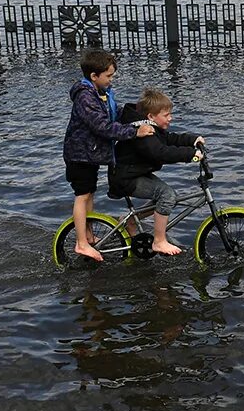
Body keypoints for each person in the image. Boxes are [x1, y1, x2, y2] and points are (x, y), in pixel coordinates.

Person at [63, 49, 154, 262]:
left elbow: (116, 113)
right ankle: (81, 243)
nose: (111, 79)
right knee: (82, 195)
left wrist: (141, 118)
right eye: (109, 76)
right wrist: (134, 132)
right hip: (79, 155)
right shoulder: (85, 97)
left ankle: (88, 233)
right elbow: (103, 127)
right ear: (94, 76)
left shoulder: (101, 92)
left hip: (90, 155)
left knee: (90, 194)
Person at [112, 88, 205, 256]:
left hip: (135, 172)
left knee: (171, 197)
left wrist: (192, 140)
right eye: (167, 115)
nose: (171, 118)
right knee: (167, 195)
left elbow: (169, 139)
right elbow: (160, 152)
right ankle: (159, 241)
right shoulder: (143, 132)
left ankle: (130, 221)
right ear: (151, 117)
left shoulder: (151, 127)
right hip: (126, 178)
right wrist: (191, 155)